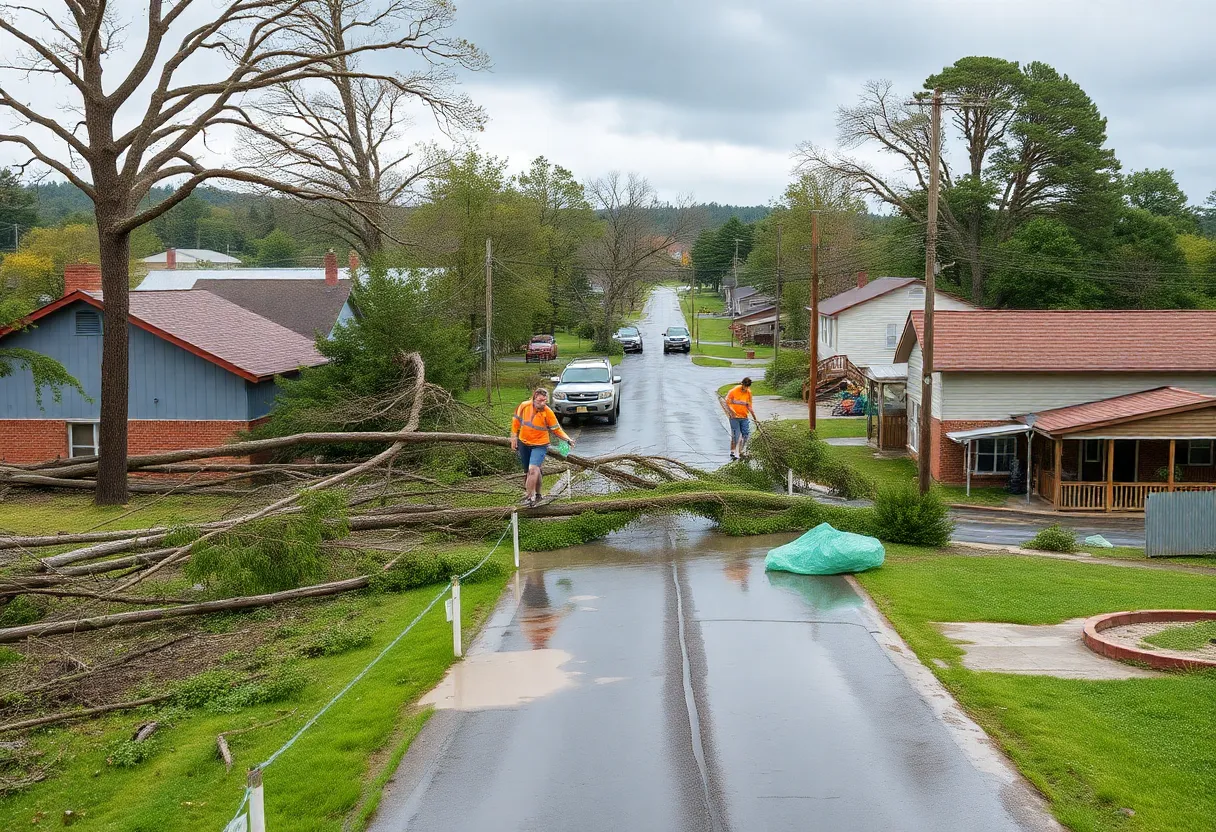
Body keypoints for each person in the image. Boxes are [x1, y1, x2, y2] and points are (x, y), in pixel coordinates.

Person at [510, 387, 573, 506]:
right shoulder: (524, 406)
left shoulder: (548, 412)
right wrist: (513, 437)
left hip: (540, 444)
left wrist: (567, 439)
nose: (543, 403)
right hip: (524, 442)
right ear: (533, 399)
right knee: (529, 471)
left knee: (533, 469)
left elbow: (556, 429)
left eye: (545, 400)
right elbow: (515, 422)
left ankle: (530, 497)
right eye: (540, 401)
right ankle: (537, 494)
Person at [724, 377, 757, 460]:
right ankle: (733, 451)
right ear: (742, 384)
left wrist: (754, 417)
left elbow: (749, 406)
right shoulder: (733, 391)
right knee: (736, 435)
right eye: (744, 386)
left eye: (747, 387)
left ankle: (740, 451)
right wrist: (732, 412)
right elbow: (726, 403)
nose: (745, 388)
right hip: (734, 418)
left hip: (744, 417)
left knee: (745, 434)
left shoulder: (748, 393)